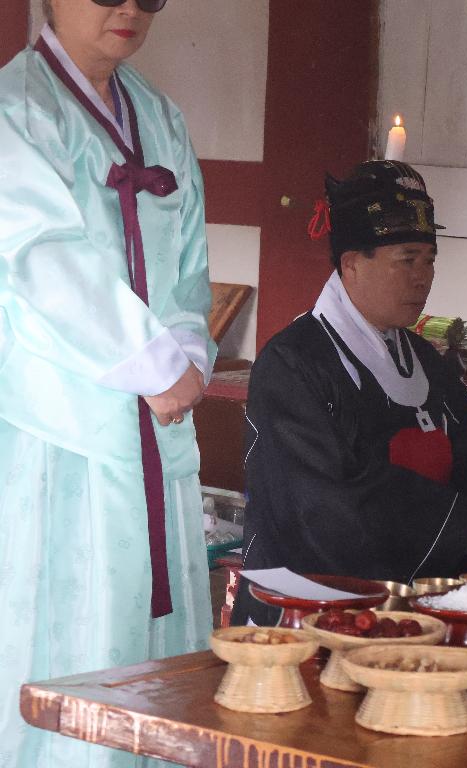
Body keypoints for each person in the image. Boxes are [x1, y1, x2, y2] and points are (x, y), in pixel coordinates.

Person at [0, 0, 214, 764]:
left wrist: (187, 351)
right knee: (71, 631)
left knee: (159, 648)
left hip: (158, 426)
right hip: (64, 434)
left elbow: (190, 263)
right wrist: (153, 365)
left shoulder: (160, 117)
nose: (129, 7)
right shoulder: (16, 110)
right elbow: (38, 258)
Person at [232, 161, 467, 626]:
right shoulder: (293, 363)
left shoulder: (429, 362)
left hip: (410, 604)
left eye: (429, 261)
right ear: (352, 264)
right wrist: (456, 524)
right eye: (407, 260)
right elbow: (318, 503)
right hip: (308, 605)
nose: (423, 277)